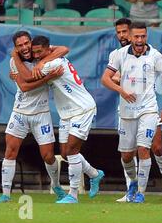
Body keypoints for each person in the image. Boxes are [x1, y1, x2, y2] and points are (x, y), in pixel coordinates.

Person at [105, 19, 162, 202]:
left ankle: (145, 191)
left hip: (148, 109)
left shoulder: (156, 55)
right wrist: (122, 89)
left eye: (143, 36)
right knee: (127, 155)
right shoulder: (118, 55)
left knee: (148, 148)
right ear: (130, 36)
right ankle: (133, 184)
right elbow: (105, 78)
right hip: (127, 111)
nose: (139, 40)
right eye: (136, 36)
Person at [26, 36, 104, 204]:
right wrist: (40, 61)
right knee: (65, 153)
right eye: (35, 52)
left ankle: (73, 194)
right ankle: (95, 174)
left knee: (72, 151)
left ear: (48, 50)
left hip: (82, 109)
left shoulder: (52, 64)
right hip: (66, 113)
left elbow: (27, 79)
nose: (37, 55)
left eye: (40, 52)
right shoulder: (52, 56)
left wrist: (18, 64)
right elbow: (62, 48)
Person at [0, 31, 68, 203]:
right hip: (20, 113)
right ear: (16, 48)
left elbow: (64, 49)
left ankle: (56, 185)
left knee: (48, 156)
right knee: (10, 151)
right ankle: (5, 194)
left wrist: (44, 62)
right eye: (20, 45)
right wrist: (48, 76)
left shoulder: (40, 53)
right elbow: (25, 86)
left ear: (31, 42)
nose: (25, 47)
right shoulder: (14, 61)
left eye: (27, 43)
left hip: (41, 114)